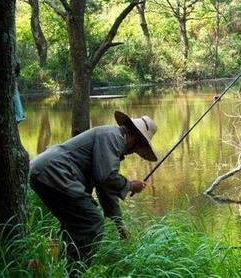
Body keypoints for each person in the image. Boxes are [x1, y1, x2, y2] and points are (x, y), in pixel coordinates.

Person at [29, 111, 158, 271]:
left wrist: (119, 225)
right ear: (135, 138)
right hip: (54, 171)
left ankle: (44, 265)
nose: (133, 153)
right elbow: (106, 177)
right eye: (138, 148)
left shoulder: (111, 139)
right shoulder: (112, 137)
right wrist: (131, 185)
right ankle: (75, 271)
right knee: (92, 220)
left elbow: (105, 187)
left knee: (74, 224)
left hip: (44, 171)